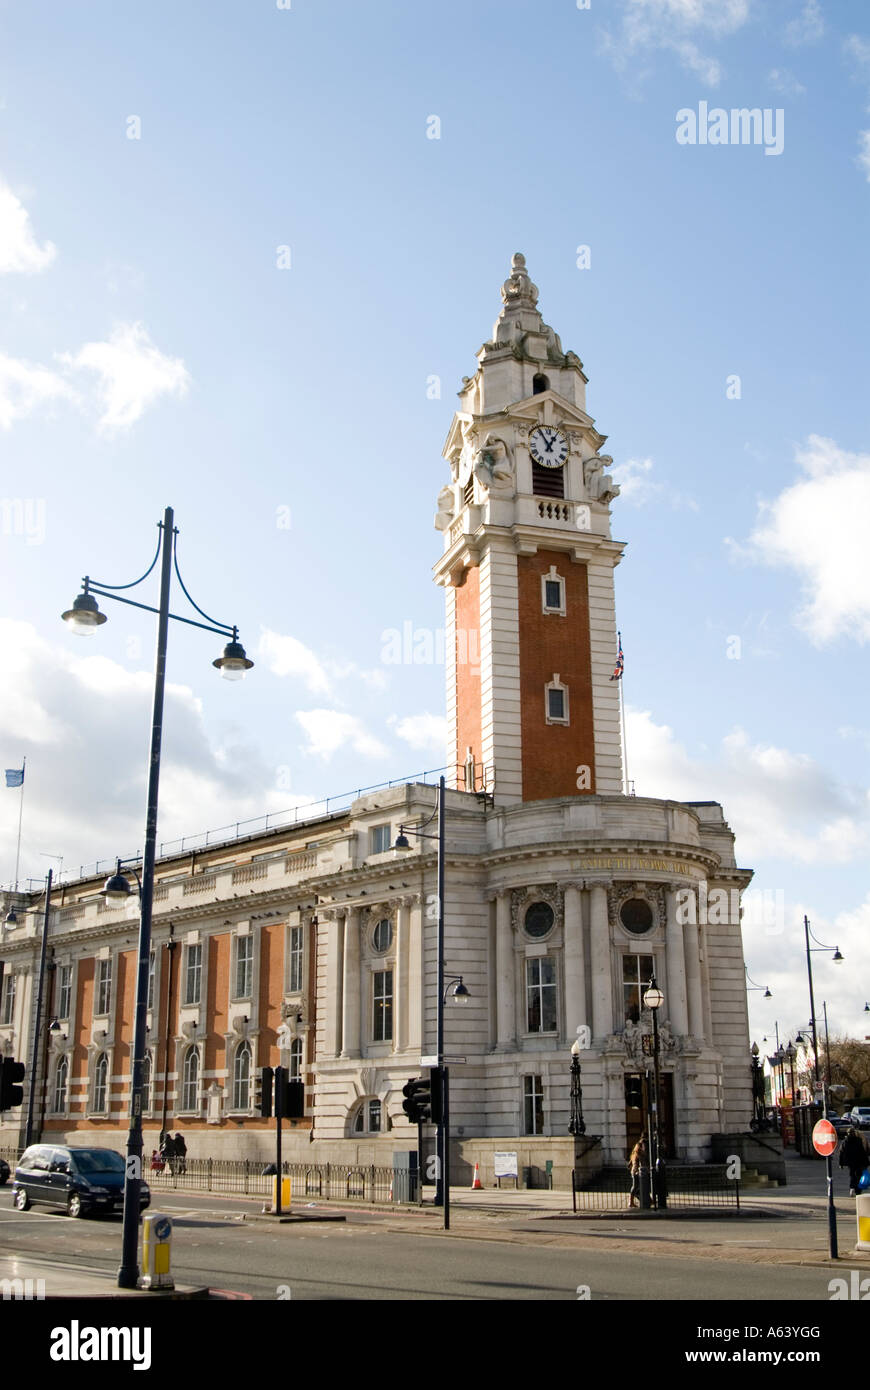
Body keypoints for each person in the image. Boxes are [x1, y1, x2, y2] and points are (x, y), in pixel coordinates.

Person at [839, 1126, 870, 1196]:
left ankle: (853, 1188)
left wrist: (841, 1163)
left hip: (851, 1162)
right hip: (858, 1162)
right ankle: (857, 1190)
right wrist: (866, 1162)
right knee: (857, 1175)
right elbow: (863, 1152)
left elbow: (841, 1153)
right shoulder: (858, 1141)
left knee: (852, 1175)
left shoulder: (845, 1142)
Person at [627, 1137, 648, 1209]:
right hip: (637, 1172)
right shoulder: (639, 1153)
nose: (645, 1147)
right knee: (635, 1186)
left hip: (636, 1171)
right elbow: (639, 1163)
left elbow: (630, 1163)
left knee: (638, 1187)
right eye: (644, 1145)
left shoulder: (636, 1152)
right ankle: (631, 1202)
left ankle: (646, 1200)